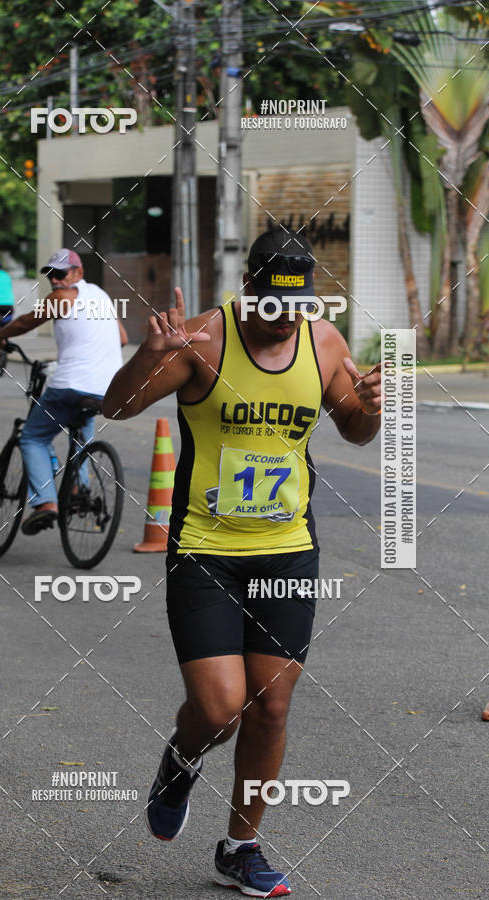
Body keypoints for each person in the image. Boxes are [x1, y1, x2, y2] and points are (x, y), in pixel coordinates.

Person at [103, 227, 382, 897]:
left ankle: (240, 847)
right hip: (206, 549)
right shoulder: (202, 339)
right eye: (271, 302)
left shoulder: (325, 343)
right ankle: (182, 758)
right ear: (248, 288)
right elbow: (116, 406)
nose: (282, 316)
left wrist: (371, 407)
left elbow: (354, 428)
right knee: (221, 708)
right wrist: (148, 353)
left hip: (287, 548)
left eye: (296, 305)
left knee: (270, 709)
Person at [0, 248, 128, 535]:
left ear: (78, 273)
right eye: (50, 275)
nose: (55, 280)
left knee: (32, 437)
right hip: (106, 388)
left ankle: (45, 504)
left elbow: (24, 322)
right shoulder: (101, 297)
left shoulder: (62, 298)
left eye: (60, 273)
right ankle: (80, 488)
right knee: (80, 430)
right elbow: (122, 338)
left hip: (70, 383)